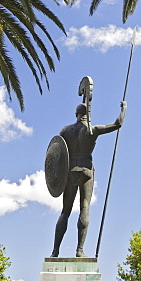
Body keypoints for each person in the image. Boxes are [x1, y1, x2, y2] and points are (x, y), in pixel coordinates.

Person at [51, 99, 126, 257]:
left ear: (76, 114)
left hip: (70, 171)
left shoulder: (65, 131)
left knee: (65, 212)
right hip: (86, 170)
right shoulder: (93, 130)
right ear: (88, 115)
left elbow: (57, 153)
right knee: (85, 209)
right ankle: (79, 250)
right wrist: (123, 109)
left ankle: (55, 251)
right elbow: (117, 124)